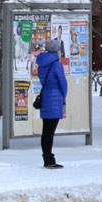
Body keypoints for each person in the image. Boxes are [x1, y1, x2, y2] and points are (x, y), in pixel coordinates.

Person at [36, 37, 68, 169]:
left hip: (45, 98)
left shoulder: (42, 63)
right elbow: (63, 83)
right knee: (50, 131)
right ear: (56, 50)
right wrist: (63, 97)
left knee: (46, 131)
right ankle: (50, 160)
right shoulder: (57, 64)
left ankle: (47, 158)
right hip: (55, 99)